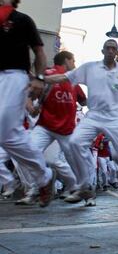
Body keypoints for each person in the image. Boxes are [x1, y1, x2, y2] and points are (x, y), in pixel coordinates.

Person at [44, 39, 118, 208]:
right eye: (108, 48)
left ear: (117, 53)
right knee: (75, 142)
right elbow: (64, 77)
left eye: (114, 49)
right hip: (94, 115)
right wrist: (42, 78)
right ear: (102, 50)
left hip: (115, 117)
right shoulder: (90, 68)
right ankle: (83, 186)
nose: (111, 51)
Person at [0, 0, 55, 207]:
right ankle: (39, 178)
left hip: (15, 76)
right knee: (8, 135)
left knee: (5, 126)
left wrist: (39, 79)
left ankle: (24, 179)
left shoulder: (23, 20)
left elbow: (39, 52)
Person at [20, 51, 85, 204]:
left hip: (66, 130)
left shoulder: (73, 79)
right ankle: (40, 187)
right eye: (73, 60)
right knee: (31, 153)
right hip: (46, 127)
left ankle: (78, 187)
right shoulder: (47, 74)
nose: (74, 64)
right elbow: (29, 95)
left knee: (58, 160)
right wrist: (31, 108)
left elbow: (83, 101)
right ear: (66, 61)